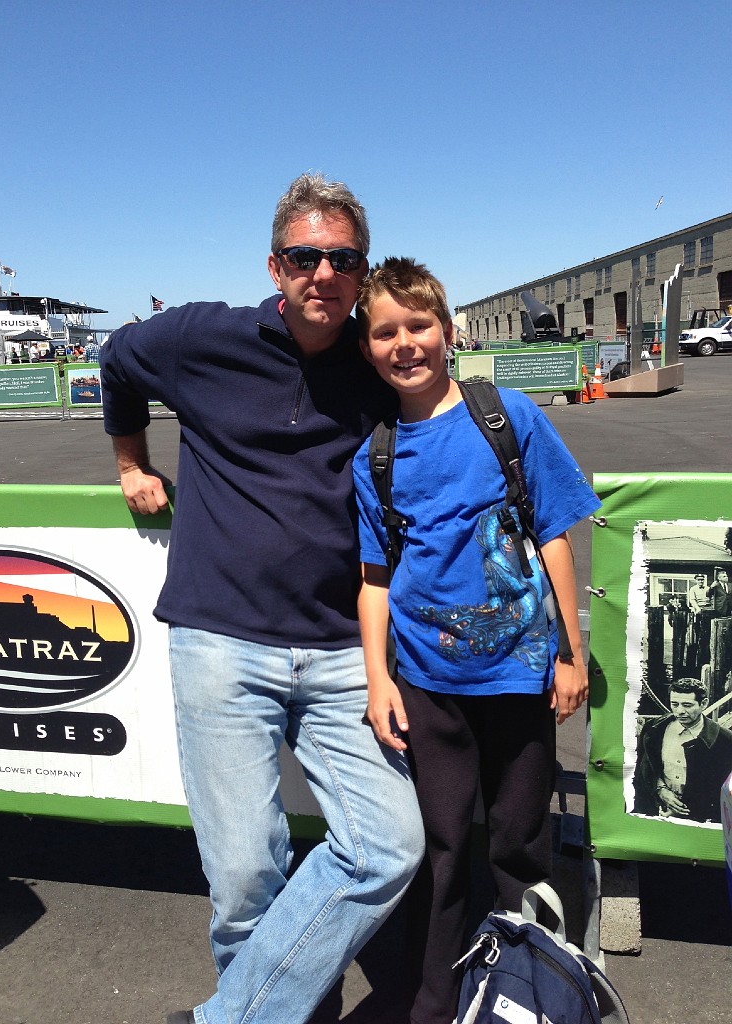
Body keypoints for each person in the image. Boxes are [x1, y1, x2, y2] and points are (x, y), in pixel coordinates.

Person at [99, 174, 424, 1024]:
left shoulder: (376, 359)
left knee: (387, 847)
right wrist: (131, 463)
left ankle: (227, 1020)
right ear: (275, 266)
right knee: (246, 878)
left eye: (343, 259)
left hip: (345, 648)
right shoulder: (201, 337)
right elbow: (117, 361)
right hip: (221, 640)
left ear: (362, 271)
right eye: (305, 257)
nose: (324, 274)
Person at [351, 257, 601, 1024]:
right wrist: (378, 680)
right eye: (385, 332)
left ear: (448, 332)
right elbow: (375, 579)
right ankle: (434, 1001)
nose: (405, 344)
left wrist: (569, 653)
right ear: (368, 349)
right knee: (443, 848)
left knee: (520, 844)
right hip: (428, 686)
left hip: (519, 675)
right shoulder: (376, 456)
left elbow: (554, 535)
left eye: (418, 325)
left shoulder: (507, 419)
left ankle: (529, 990)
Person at [633, 677, 732, 823]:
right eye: (675, 704)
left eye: (687, 705)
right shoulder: (653, 729)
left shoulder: (725, 741)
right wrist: (660, 789)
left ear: (704, 704)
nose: (679, 711)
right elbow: (644, 769)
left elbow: (721, 791)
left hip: (698, 821)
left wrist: (680, 810)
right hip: (655, 813)